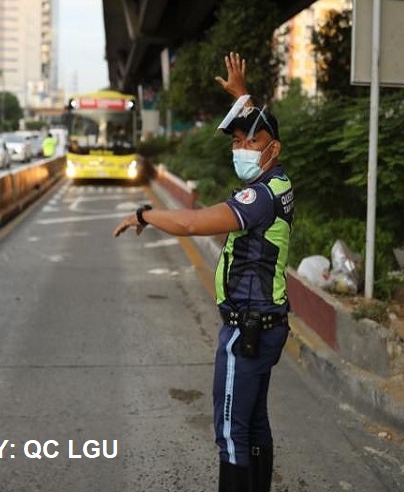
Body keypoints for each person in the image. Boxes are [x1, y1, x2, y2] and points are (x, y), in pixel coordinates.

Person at [113, 52, 294, 492]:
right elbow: (258, 128)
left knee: (233, 434)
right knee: (254, 424)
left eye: (250, 143)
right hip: (268, 322)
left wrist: (145, 214)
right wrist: (242, 96)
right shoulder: (280, 184)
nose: (241, 149)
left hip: (247, 330)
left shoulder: (259, 199)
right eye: (235, 142)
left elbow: (192, 223)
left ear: (274, 149)